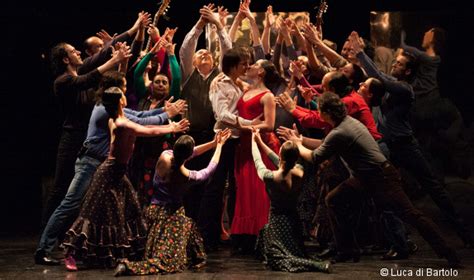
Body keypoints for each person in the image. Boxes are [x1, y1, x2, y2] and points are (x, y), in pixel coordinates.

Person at [283, 92, 460, 267]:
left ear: (326, 113)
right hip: (364, 178)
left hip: (381, 177)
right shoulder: (347, 123)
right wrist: (301, 139)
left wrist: (297, 145)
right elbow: (325, 143)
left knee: (411, 215)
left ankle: (449, 253)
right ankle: (347, 250)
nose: (318, 113)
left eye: (319, 110)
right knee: (334, 200)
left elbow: (314, 157)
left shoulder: (341, 131)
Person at [35, 71, 185, 265]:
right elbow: (141, 124)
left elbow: (140, 114)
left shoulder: (113, 109)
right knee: (72, 205)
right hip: (91, 163)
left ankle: (112, 251)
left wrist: (163, 111)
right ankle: (45, 249)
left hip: (110, 168)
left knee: (118, 209)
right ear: (113, 93)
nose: (125, 91)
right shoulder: (105, 110)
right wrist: (168, 119)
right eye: (122, 87)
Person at [350, 30, 473, 249]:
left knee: (434, 189)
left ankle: (464, 233)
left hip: (406, 147)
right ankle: (397, 241)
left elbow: (380, 77)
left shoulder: (405, 89)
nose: (394, 66)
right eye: (394, 63)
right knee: (385, 191)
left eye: (398, 64)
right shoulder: (387, 85)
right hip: (389, 148)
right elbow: (374, 78)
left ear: (407, 71)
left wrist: (361, 54)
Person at [113, 129, 232, 276]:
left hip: (153, 210)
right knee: (168, 261)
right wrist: (219, 146)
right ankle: (128, 267)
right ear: (187, 156)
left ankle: (196, 257)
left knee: (189, 225)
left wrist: (214, 143)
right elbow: (208, 170)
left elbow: (191, 152)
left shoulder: (165, 156)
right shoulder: (185, 175)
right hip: (170, 217)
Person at [251, 128, 332, 273]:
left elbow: (258, 162)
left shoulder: (271, 177)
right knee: (291, 250)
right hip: (293, 221)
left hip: (277, 222)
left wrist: (253, 142)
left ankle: (317, 266)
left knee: (279, 257)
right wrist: (260, 141)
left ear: (281, 155)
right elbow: (280, 161)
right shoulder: (299, 170)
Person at [230, 58, 279, 253]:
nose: (249, 66)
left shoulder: (267, 96)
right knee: (244, 191)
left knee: (258, 191)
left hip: (261, 145)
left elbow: (269, 125)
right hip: (244, 144)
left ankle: (260, 235)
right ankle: (245, 235)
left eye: (255, 65)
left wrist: (246, 126)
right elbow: (229, 75)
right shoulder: (246, 89)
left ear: (262, 73)